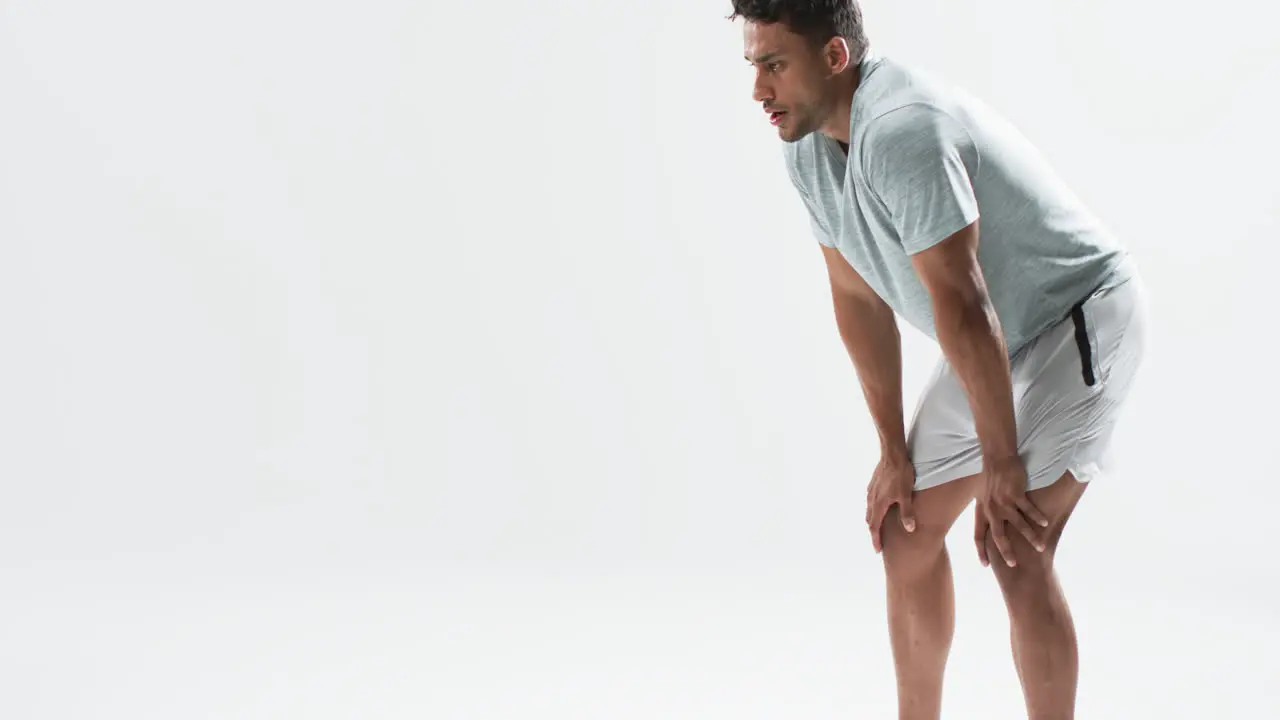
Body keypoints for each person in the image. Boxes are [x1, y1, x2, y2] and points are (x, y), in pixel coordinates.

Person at [729, 1, 1148, 718]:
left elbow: (962, 302)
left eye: (774, 66)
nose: (759, 91)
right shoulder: (805, 148)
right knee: (906, 527)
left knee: (1015, 547)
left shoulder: (902, 130)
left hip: (1078, 314)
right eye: (754, 67)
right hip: (993, 336)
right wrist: (893, 448)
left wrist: (1001, 461)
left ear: (834, 58)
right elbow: (856, 298)